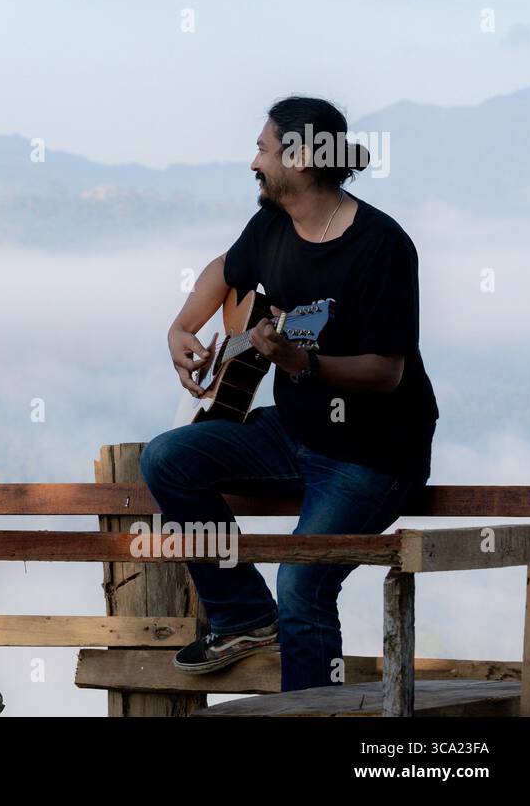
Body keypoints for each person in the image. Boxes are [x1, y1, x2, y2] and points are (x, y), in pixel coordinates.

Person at [140, 96, 438, 692]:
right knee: (168, 458)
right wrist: (180, 328)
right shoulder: (272, 225)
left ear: (299, 158)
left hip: (373, 457)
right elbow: (224, 269)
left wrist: (303, 361)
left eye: (262, 148)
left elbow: (386, 372)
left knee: (302, 583)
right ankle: (243, 615)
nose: (253, 161)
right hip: (296, 434)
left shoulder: (381, 246)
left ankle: (310, 709)